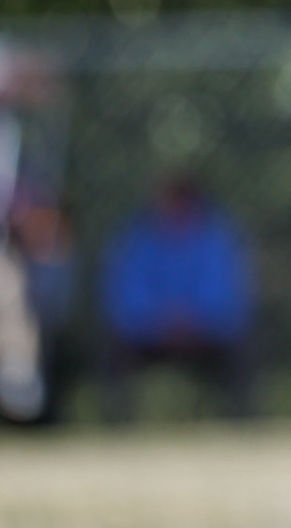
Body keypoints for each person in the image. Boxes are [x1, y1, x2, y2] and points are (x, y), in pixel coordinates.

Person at [99, 173, 256, 422]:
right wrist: (160, 321)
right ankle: (115, 422)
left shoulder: (216, 238)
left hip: (204, 333)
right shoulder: (138, 238)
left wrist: (194, 321)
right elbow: (127, 295)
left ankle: (244, 422)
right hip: (150, 333)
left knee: (244, 350)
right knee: (112, 352)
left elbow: (225, 295)